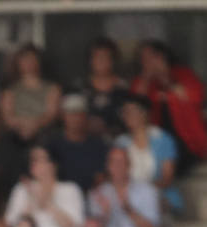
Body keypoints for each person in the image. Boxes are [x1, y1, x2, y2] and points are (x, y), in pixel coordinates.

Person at [130, 40, 207, 174]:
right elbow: (134, 102)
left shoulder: (183, 74)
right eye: (142, 59)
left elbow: (194, 95)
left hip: (189, 143)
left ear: (162, 56)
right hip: (156, 145)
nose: (146, 62)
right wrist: (147, 78)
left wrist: (164, 77)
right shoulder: (142, 81)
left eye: (150, 57)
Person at [4, 145, 83, 227]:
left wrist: (47, 203)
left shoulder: (70, 189)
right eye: (33, 159)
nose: (35, 163)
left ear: (53, 164)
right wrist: (31, 200)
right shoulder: (21, 190)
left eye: (41, 159)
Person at [117, 92, 183, 215]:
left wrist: (143, 191)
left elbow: (167, 178)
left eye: (132, 111)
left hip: (159, 195)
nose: (128, 116)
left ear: (145, 113)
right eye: (125, 112)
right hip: (128, 196)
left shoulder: (162, 139)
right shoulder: (120, 143)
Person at [0, 43, 61, 149]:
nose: (29, 63)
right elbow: (7, 117)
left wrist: (34, 125)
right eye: (25, 59)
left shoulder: (52, 88)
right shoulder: (10, 90)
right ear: (18, 63)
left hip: (44, 134)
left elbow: (52, 114)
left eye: (32, 59)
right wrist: (23, 125)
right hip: (16, 135)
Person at [45, 94, 109, 193]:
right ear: (63, 116)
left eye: (79, 114)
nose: (75, 118)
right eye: (70, 114)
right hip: (60, 196)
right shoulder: (52, 145)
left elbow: (100, 178)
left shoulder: (98, 145)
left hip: (91, 197)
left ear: (85, 117)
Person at [83, 36, 128, 139]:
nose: (100, 61)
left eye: (105, 57)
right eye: (96, 57)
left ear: (113, 60)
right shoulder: (80, 87)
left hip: (119, 142)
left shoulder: (125, 88)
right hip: (86, 141)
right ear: (90, 60)